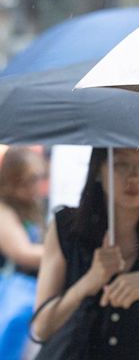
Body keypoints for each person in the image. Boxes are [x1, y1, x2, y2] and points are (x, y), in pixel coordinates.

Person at [32, 148, 139, 359]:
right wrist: (90, 281)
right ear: (99, 169)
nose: (134, 176)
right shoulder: (67, 227)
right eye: (121, 164)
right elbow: (41, 328)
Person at [0, 147, 47, 360]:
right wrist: (60, 252)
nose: (37, 185)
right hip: (12, 297)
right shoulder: (3, 210)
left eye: (39, 177)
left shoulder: (32, 207)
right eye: (31, 179)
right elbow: (23, 253)